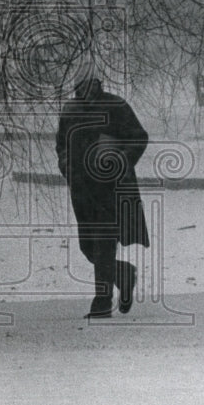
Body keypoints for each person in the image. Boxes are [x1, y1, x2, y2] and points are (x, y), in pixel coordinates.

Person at [55, 77, 150, 318]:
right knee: (88, 247)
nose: (83, 86)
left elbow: (138, 137)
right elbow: (61, 144)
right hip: (81, 188)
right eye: (79, 82)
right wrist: (66, 165)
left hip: (110, 188)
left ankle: (102, 301)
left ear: (97, 82)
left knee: (104, 243)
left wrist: (119, 159)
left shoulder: (115, 105)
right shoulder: (70, 109)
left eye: (88, 81)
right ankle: (123, 275)